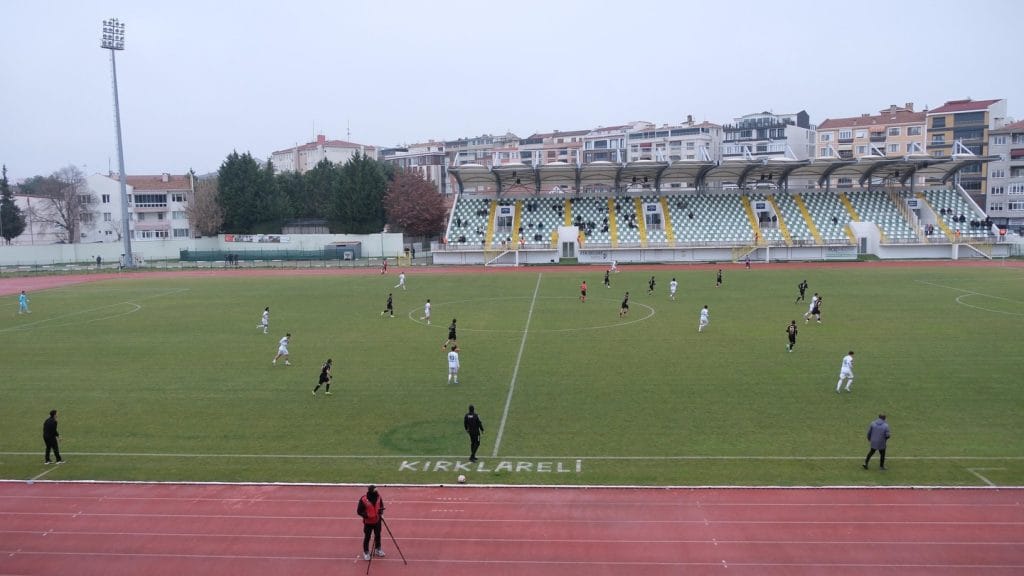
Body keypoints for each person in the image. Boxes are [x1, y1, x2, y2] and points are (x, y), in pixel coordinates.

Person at [356, 485, 386, 560]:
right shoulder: (364, 499)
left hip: (377, 520)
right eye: (375, 490)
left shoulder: (378, 497)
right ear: (371, 491)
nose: (376, 491)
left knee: (378, 535)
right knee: (367, 537)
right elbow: (359, 511)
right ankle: (366, 552)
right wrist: (366, 515)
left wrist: (381, 513)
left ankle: (378, 549)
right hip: (368, 522)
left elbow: (381, 506)